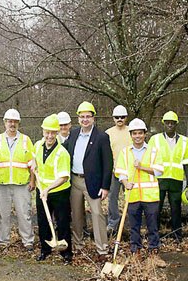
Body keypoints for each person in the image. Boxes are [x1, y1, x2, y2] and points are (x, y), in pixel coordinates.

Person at [64, 101, 113, 260]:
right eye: (82, 117)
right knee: (76, 214)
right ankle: (78, 245)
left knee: (97, 213)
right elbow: (62, 151)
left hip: (93, 183)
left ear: (93, 118)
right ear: (78, 119)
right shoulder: (73, 134)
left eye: (88, 117)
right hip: (75, 181)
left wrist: (105, 186)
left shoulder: (102, 137)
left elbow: (108, 163)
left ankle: (102, 249)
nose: (85, 120)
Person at [114, 119, 165, 266]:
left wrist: (142, 166)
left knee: (152, 226)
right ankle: (135, 252)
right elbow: (120, 173)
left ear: (145, 134)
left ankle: (153, 254)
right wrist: (125, 183)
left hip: (150, 196)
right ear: (131, 135)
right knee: (134, 226)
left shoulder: (153, 151)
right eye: (135, 133)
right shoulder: (125, 152)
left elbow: (159, 171)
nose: (137, 136)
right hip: (133, 195)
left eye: (140, 133)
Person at [149, 111, 188, 246]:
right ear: (163, 124)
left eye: (172, 123)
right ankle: (154, 235)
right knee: (156, 208)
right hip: (159, 179)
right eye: (167, 123)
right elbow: (149, 160)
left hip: (176, 179)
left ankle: (177, 235)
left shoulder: (184, 141)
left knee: (176, 208)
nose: (170, 125)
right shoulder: (155, 139)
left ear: (176, 124)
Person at [33, 114, 73, 264]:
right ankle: (45, 249)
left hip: (59, 192)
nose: (49, 136)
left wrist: (48, 189)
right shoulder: (37, 145)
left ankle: (66, 253)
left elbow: (63, 177)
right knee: (43, 221)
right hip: (41, 190)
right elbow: (33, 160)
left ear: (57, 133)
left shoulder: (62, 153)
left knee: (62, 221)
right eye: (47, 132)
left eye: (52, 133)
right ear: (43, 131)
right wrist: (32, 163)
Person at [0, 109, 36, 250]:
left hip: (21, 183)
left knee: (24, 213)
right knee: (2, 214)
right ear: (5, 122)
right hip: (2, 183)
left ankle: (27, 240)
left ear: (18, 123)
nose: (12, 124)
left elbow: (32, 163)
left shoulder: (25, 140)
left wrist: (32, 181)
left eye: (15, 121)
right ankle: (3, 240)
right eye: (9, 121)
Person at [105, 105, 131, 234]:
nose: (119, 119)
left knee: (131, 197)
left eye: (122, 117)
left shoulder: (132, 131)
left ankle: (131, 221)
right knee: (113, 197)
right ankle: (113, 222)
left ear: (126, 117)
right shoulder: (108, 133)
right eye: (117, 117)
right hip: (114, 171)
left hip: (129, 172)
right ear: (113, 118)